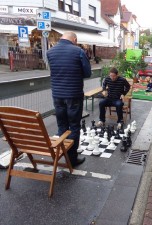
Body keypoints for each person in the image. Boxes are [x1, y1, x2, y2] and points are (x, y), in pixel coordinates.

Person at [47, 31, 91, 167]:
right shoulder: (78, 51)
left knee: (62, 126)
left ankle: (63, 154)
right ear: (74, 39)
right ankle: (72, 159)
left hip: (57, 95)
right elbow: (87, 73)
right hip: (73, 95)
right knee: (74, 126)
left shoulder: (50, 52)